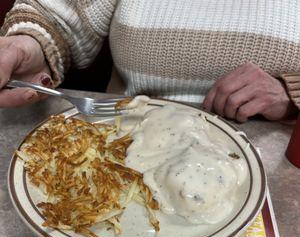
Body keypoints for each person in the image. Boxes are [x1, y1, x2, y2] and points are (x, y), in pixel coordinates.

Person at [0, 0, 299, 122]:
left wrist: (292, 92)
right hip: (124, 134)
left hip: (272, 162)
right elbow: (60, 15)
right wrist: (30, 42)